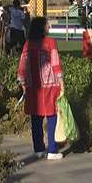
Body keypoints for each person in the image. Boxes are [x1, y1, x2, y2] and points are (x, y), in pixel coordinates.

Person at [18, 16, 64, 160]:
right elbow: (55, 63)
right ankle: (52, 149)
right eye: (47, 25)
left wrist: (23, 82)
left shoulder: (28, 44)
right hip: (50, 84)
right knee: (52, 115)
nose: (49, 27)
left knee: (36, 117)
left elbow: (22, 64)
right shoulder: (50, 42)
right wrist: (61, 81)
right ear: (42, 27)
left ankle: (38, 148)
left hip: (32, 85)